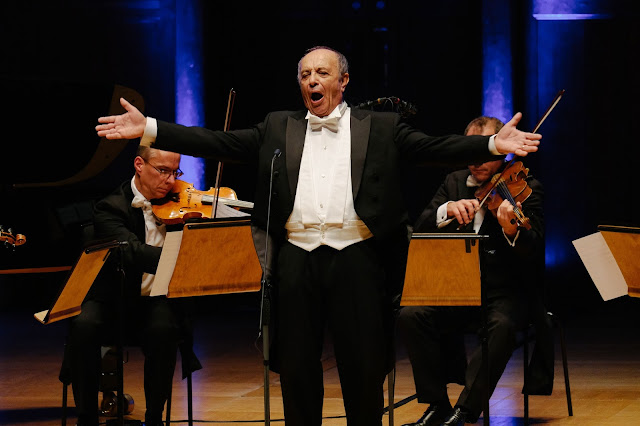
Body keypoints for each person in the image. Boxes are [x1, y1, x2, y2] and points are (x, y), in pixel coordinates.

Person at [95, 47, 541, 426]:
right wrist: (150, 128)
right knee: (297, 367)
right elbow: (216, 141)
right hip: (296, 257)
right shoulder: (277, 126)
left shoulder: (380, 127)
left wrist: (492, 146)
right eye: (305, 74)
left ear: (343, 81)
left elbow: (434, 147)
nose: (312, 80)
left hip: (357, 257)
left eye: (322, 73)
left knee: (363, 366)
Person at [398, 116, 553, 426]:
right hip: (458, 288)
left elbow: (534, 248)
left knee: (503, 326)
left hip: (504, 292)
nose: (475, 162)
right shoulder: (454, 182)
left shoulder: (526, 186)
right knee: (411, 313)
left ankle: (466, 410)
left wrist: (511, 226)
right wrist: (446, 210)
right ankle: (437, 405)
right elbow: (422, 227)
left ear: (503, 151)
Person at [67, 146, 198, 426]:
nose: (171, 180)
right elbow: (133, 254)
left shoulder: (182, 204)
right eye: (163, 171)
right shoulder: (109, 207)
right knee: (82, 325)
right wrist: (185, 260)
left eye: (176, 172)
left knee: (165, 328)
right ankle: (86, 418)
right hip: (112, 301)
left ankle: (154, 419)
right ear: (139, 164)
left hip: (155, 301)